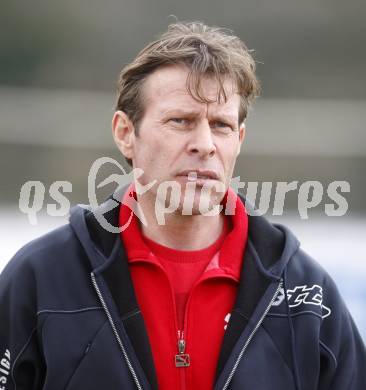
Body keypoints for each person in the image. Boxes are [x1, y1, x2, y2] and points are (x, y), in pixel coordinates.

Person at [0, 21, 365, 390]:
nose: (204, 144)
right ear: (126, 133)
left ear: (238, 139)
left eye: (221, 125)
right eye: (181, 121)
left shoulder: (308, 293)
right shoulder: (40, 278)